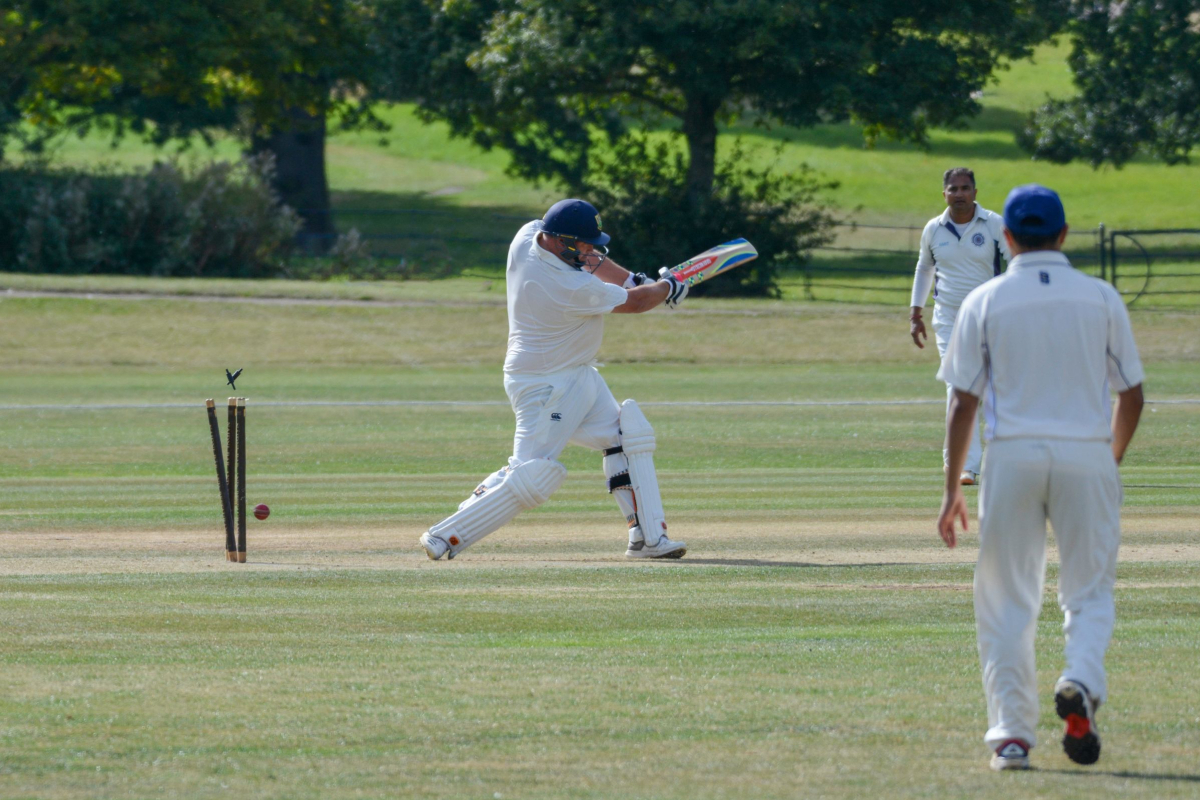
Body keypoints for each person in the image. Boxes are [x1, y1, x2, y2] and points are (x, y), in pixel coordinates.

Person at [935, 184, 1145, 771]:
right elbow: (1132, 393)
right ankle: (1079, 679)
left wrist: (953, 487)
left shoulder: (986, 300)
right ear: (1063, 235)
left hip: (1011, 457)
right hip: (1087, 454)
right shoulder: (1100, 296)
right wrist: (1110, 458)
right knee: (1088, 591)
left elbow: (961, 402)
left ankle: (1011, 737)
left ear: (1006, 238)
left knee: (1006, 599)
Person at [419, 199, 690, 561]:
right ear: (560, 242)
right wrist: (667, 287)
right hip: (547, 386)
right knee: (533, 475)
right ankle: (445, 535)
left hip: (575, 373)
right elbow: (638, 303)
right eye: (584, 244)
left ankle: (647, 539)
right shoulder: (565, 284)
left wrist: (632, 279)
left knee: (626, 439)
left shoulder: (527, 237)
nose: (591, 251)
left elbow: (614, 277)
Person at [910, 168, 1011, 485]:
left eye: (965, 188)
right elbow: (925, 268)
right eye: (953, 188)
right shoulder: (933, 228)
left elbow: (1016, 261)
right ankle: (964, 466)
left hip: (990, 316)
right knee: (958, 387)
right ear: (944, 194)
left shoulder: (994, 224)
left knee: (994, 389)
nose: (959, 194)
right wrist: (916, 313)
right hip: (950, 317)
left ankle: (1006, 461)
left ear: (975, 192)